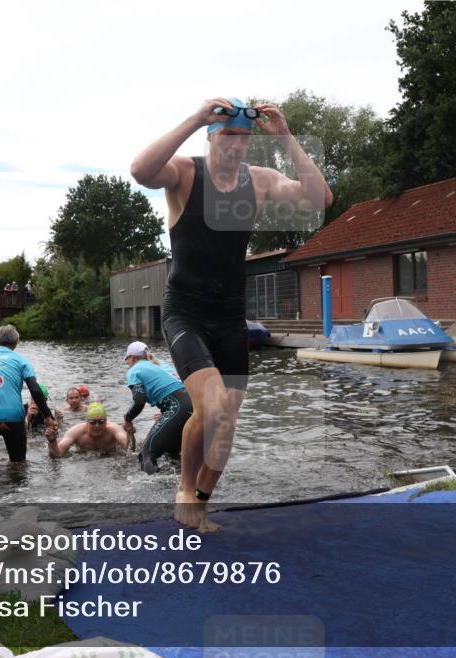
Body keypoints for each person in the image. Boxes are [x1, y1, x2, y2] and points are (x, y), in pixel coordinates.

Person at [131, 96, 331, 531]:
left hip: (229, 317)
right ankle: (184, 489)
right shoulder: (185, 173)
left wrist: (286, 137)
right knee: (215, 407)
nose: (237, 145)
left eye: (244, 137)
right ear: (211, 138)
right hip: (184, 310)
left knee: (223, 420)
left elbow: (319, 200)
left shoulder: (259, 180)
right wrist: (196, 117)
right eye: (227, 135)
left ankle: (199, 499)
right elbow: (140, 171)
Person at [0, 325, 55, 465]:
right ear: (15, 344)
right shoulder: (21, 360)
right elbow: (35, 390)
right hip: (13, 417)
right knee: (19, 463)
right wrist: (48, 416)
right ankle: (18, 485)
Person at [122, 341, 193, 474]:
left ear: (131, 358)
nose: (128, 363)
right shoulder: (161, 364)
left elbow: (139, 401)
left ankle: (152, 493)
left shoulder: (134, 370)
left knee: (145, 455)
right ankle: (183, 487)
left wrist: (127, 419)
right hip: (194, 405)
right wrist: (169, 414)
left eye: (128, 360)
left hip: (178, 408)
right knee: (172, 454)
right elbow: (176, 389)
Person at [45, 403, 128, 457]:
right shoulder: (76, 431)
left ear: (106, 421)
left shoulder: (113, 429)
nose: (97, 426)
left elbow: (129, 447)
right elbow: (58, 453)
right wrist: (52, 441)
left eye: (101, 422)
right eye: (92, 422)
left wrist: (130, 433)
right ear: (86, 422)